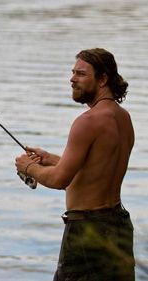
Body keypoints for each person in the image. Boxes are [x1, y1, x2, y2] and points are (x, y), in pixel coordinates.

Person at [15, 48, 135, 281]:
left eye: (80, 74)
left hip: (87, 231)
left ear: (102, 79)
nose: (72, 79)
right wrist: (50, 158)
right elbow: (96, 170)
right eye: (73, 73)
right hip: (118, 225)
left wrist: (27, 167)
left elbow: (60, 180)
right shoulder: (123, 118)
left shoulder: (87, 121)